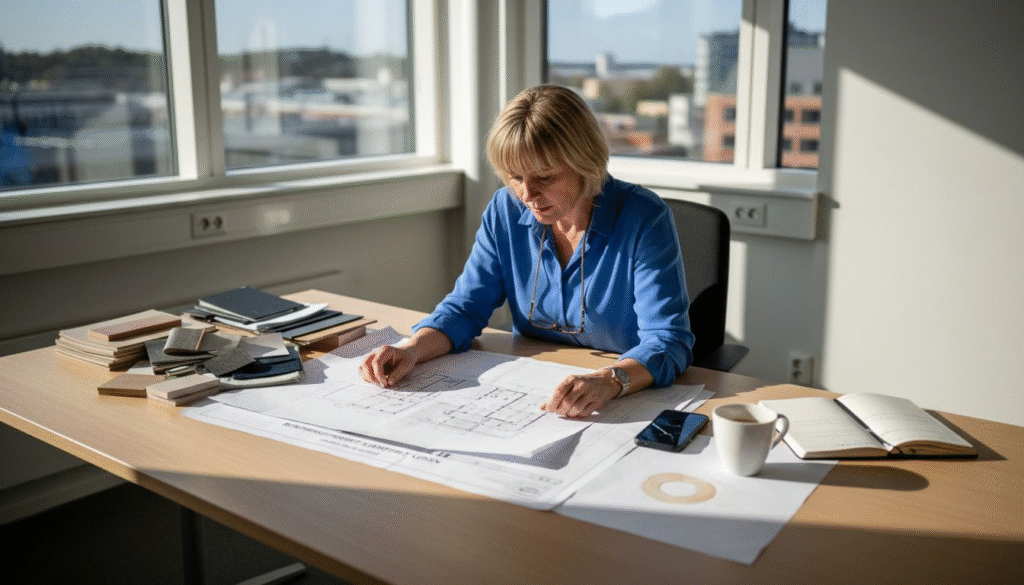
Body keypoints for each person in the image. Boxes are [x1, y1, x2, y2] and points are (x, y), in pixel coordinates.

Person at [360, 84, 694, 418]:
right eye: (515, 177)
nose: (527, 194)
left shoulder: (643, 217)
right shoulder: (505, 210)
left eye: (544, 177)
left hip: (624, 397)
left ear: (586, 163)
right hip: (535, 389)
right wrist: (411, 349)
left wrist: (611, 380)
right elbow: (465, 309)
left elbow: (668, 340)